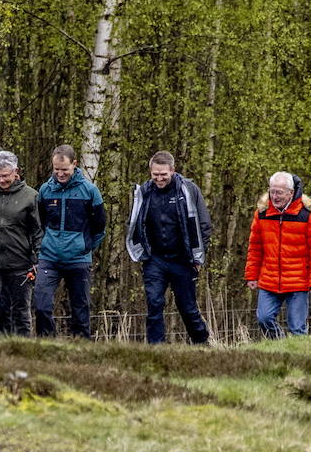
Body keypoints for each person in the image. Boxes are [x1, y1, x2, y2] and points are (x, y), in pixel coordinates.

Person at [125, 151, 212, 344]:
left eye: (163, 174)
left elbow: (204, 225)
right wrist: (141, 253)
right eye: (155, 174)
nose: (159, 178)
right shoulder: (144, 192)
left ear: (172, 170)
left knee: (187, 307)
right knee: (154, 303)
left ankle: (202, 343)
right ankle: (157, 348)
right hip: (154, 259)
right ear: (150, 171)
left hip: (182, 259)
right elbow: (133, 223)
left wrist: (198, 257)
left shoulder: (188, 190)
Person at [35, 144, 107, 338]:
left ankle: (81, 347)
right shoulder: (45, 190)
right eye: (56, 170)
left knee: (80, 309)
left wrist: (85, 247)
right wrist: (43, 245)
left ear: (74, 164)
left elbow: (100, 226)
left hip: (78, 259)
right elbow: (40, 223)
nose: (60, 174)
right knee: (41, 305)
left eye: (64, 170)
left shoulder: (90, 191)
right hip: (49, 257)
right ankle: (46, 344)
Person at [244, 171, 311, 338]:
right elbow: (255, 247)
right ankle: (280, 346)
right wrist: (251, 275)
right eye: (272, 191)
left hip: (299, 281)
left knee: (297, 329)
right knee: (264, 318)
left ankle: (299, 359)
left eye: (279, 192)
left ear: (291, 192)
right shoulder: (262, 212)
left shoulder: (307, 214)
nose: (275, 196)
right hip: (269, 279)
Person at [0, 149, 41, 337]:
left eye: (6, 176)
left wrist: (38, 260)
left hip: (21, 265)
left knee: (20, 312)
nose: (2, 180)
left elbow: (37, 231)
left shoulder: (31, 196)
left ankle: (23, 351)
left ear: (16, 172)